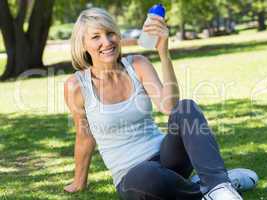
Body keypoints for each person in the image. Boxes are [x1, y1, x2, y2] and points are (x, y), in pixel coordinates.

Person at [63, 7, 244, 200]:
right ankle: (202, 190)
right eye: (96, 37)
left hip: (168, 159)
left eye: (110, 33)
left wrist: (163, 53)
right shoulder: (77, 86)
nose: (106, 42)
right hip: (134, 177)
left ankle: (219, 187)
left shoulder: (137, 65)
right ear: (83, 45)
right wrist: (79, 182)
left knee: (186, 108)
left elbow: (168, 107)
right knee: (145, 177)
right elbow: (85, 136)